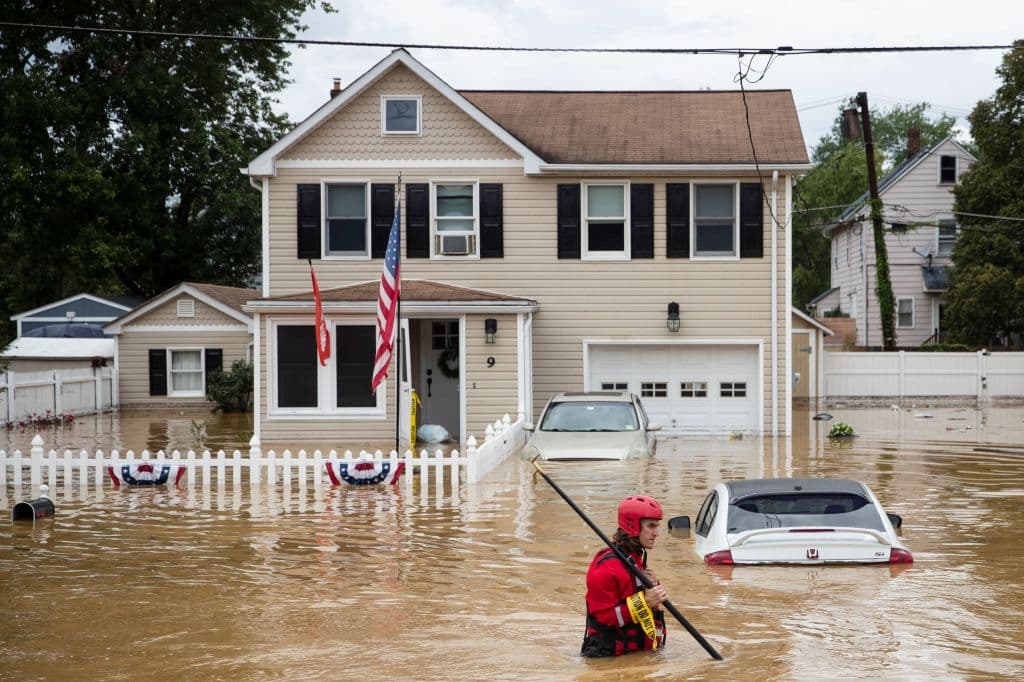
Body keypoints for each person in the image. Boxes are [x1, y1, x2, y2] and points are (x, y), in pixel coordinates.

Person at [581, 495, 668, 657]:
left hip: (636, 656)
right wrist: (645, 602)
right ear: (632, 525)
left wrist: (653, 585)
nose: (657, 533)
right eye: (651, 526)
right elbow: (603, 619)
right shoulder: (606, 568)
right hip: (607, 659)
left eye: (657, 526)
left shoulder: (636, 559)